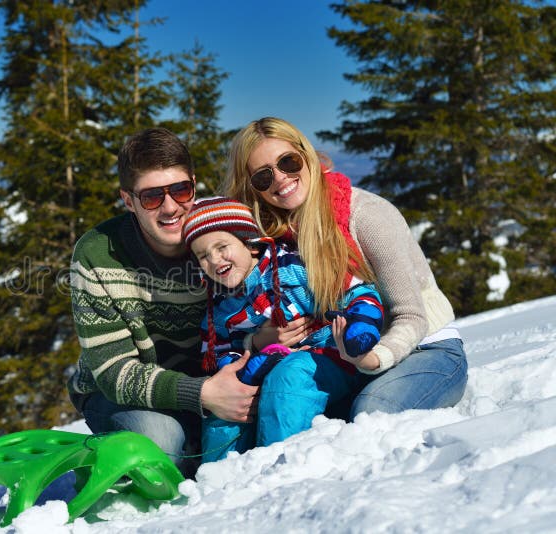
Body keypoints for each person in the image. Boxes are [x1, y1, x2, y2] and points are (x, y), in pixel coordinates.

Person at [221, 117, 468, 420]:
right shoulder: (272, 239)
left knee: (371, 413)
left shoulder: (365, 216)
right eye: (263, 176)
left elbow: (411, 316)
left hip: (425, 349)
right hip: (345, 361)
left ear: (306, 155)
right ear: (253, 188)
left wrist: (372, 358)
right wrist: (259, 341)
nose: (281, 179)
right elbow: (237, 318)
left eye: (288, 162)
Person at [67, 128, 259, 477]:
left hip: (213, 381)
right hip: (123, 393)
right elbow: (113, 373)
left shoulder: (219, 239)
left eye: (181, 190)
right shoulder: (97, 254)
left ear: (194, 185)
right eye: (153, 197)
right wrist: (202, 394)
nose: (171, 208)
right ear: (129, 201)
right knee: (162, 444)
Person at [182, 196, 384, 462]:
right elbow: (217, 352)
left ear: (251, 245)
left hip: (327, 358)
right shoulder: (219, 307)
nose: (214, 260)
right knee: (226, 401)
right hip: (263, 369)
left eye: (222, 247)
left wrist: (360, 325)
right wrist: (241, 367)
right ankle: (217, 479)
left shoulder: (292, 267)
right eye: (203, 256)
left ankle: (277, 467)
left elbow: (356, 290)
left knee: (289, 374)